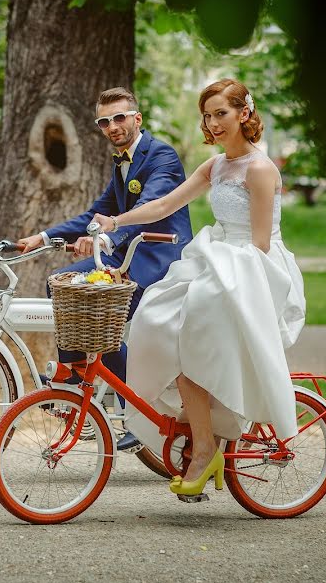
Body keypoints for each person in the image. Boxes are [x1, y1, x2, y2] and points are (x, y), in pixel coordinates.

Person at [92, 78, 306, 496]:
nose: (213, 123)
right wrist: (115, 221)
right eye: (207, 116)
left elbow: (261, 244)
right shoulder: (216, 166)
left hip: (253, 268)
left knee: (195, 324)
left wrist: (221, 271)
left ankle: (207, 447)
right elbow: (166, 204)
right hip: (220, 256)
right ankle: (198, 434)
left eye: (221, 113)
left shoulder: (261, 169)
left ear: (244, 113)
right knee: (157, 315)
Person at [18, 86, 193, 451]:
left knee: (104, 310)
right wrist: (44, 235)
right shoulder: (121, 163)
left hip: (159, 256)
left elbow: (151, 207)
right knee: (61, 285)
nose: (112, 126)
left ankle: (136, 412)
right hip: (127, 253)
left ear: (136, 118)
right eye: (104, 121)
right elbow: (95, 213)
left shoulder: (161, 156)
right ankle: (74, 375)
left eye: (119, 117)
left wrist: (108, 239)